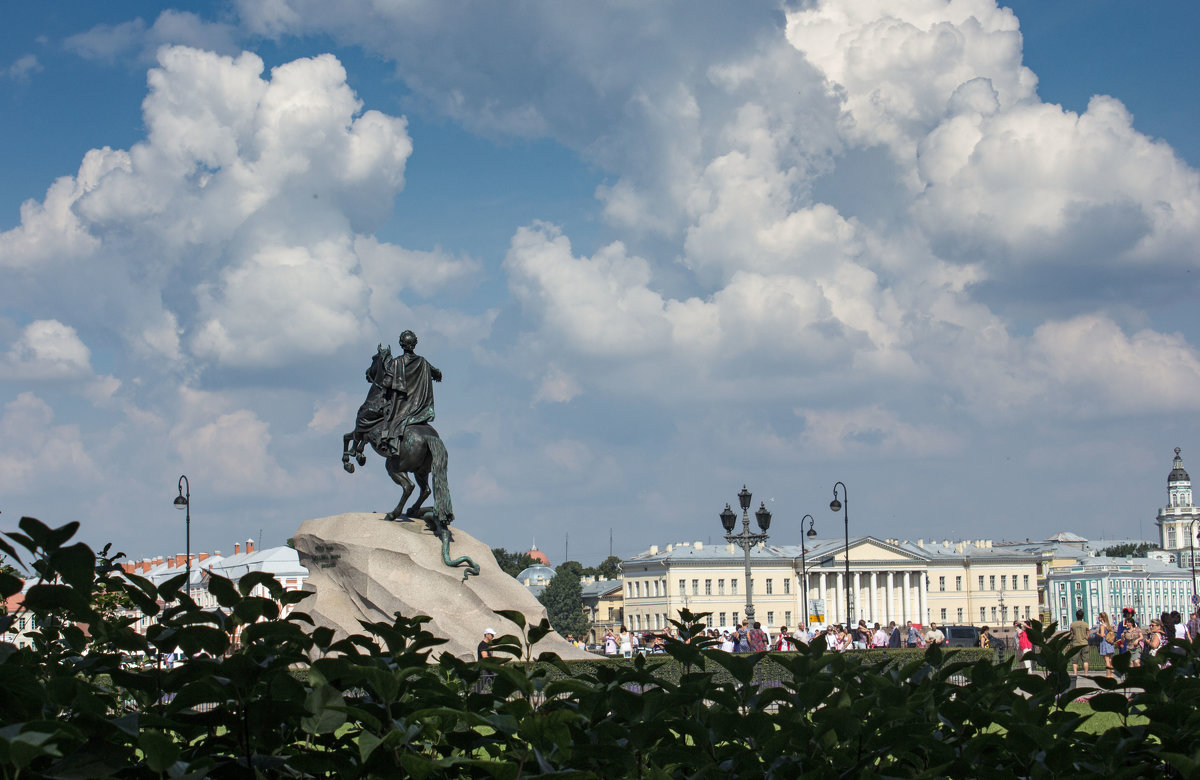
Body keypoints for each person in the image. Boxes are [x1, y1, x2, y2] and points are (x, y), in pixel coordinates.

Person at [382, 330, 443, 450]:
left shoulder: (396, 363)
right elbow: (438, 374)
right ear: (415, 344)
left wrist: (385, 364)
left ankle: (389, 443)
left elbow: (386, 383)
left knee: (390, 423)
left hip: (403, 408)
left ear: (401, 343)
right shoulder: (423, 362)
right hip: (420, 409)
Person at [1068, 609, 1090, 676]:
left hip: (1076, 644)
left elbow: (1071, 634)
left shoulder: (1073, 624)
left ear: (1076, 616)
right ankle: (1086, 673)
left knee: (1075, 660)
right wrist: (1085, 638)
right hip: (1084, 643)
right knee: (1085, 660)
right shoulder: (1085, 624)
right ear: (1082, 616)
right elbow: (1088, 634)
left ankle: (1075, 673)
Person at [1095, 612, 1116, 678]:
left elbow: (1102, 635)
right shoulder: (1108, 625)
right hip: (1110, 643)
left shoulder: (1102, 626)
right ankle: (1112, 674)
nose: (1098, 618)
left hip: (1104, 643)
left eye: (1099, 617)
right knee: (1110, 660)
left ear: (1102, 618)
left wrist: (1097, 634)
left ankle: (1108, 675)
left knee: (1107, 660)